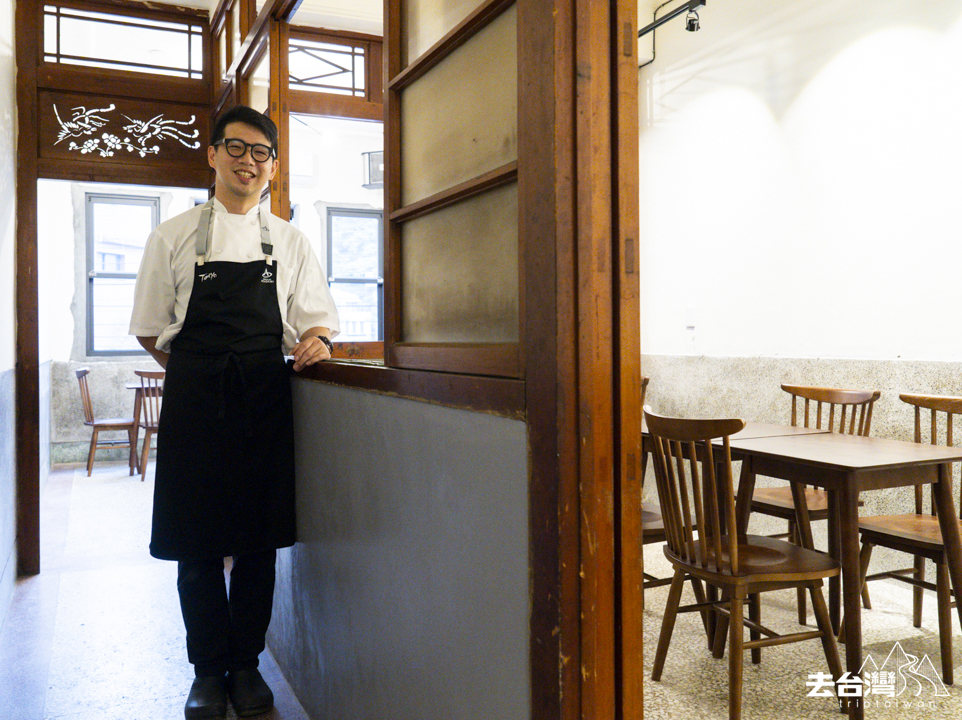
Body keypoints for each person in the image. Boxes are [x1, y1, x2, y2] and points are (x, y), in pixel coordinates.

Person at [129, 105, 339, 720]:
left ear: (273, 165)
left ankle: (246, 667)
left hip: (264, 404)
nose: (250, 162)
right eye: (238, 148)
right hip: (194, 401)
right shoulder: (172, 235)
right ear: (214, 154)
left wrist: (319, 340)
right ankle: (206, 673)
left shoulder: (291, 241)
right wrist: (200, 374)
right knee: (196, 546)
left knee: (256, 545)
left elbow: (315, 321)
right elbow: (149, 329)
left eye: (262, 153)